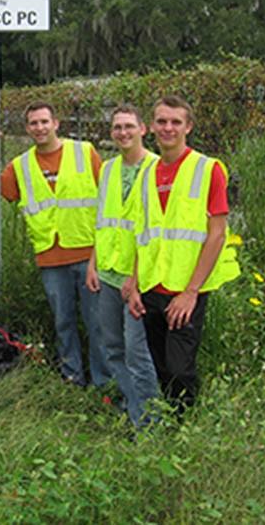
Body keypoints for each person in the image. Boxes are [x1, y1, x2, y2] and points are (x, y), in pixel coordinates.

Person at [126, 95, 240, 413]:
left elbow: (216, 234)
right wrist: (134, 284)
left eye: (176, 122)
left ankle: (186, 426)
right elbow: (142, 233)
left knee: (179, 368)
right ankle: (172, 423)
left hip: (187, 290)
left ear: (188, 127)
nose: (168, 128)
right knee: (161, 366)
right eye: (162, 121)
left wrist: (191, 292)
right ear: (151, 127)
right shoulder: (146, 174)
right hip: (152, 287)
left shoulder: (208, 169)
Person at [0, 101, 108, 387]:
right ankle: (72, 378)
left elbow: (107, 201)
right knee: (64, 322)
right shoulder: (20, 165)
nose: (40, 127)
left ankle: (102, 382)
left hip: (88, 254)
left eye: (44, 121)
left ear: (56, 123)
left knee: (97, 324)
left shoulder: (85, 153)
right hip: (50, 258)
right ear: (27, 129)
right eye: (33, 123)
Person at [85, 105, 159, 425]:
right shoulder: (109, 169)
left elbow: (155, 231)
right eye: (117, 127)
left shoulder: (157, 168)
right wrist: (92, 263)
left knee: (137, 354)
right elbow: (103, 222)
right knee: (112, 347)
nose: (123, 132)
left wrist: (136, 277)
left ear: (143, 129)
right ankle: (132, 410)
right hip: (108, 274)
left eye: (129, 126)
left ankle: (149, 423)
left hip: (136, 279)